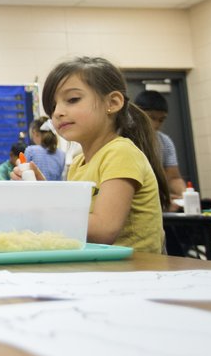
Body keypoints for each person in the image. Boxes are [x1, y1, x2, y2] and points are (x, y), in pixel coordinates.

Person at [13, 56, 169, 253]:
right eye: (53, 107)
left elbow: (104, 229)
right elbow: (74, 216)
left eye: (72, 100)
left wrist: (41, 210)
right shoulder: (79, 163)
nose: (58, 112)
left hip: (132, 274)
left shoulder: (120, 152)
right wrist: (41, 189)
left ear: (112, 102)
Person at [135, 90, 186, 199]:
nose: (156, 124)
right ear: (137, 113)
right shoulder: (123, 139)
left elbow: (173, 178)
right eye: (151, 118)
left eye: (161, 120)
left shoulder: (165, 142)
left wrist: (185, 196)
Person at [24, 116, 66, 180]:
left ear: (35, 132)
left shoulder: (30, 151)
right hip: (56, 189)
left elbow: (24, 177)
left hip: (35, 189)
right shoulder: (62, 154)